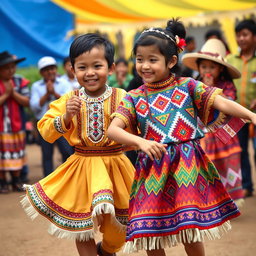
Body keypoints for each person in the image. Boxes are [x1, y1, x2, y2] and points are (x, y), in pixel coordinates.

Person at [107, 19, 256, 256]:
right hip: (151, 170)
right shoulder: (133, 97)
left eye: (152, 60)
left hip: (186, 166)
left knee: (190, 229)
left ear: (172, 61)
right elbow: (113, 130)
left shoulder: (188, 86)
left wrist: (251, 115)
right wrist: (141, 142)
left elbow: (222, 102)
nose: (144, 66)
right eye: (140, 59)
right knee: (149, 231)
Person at [21, 33, 134, 256]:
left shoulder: (123, 96)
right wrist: (65, 118)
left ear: (110, 68)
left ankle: (107, 250)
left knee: (122, 226)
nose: (90, 73)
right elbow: (45, 131)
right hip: (81, 168)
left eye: (97, 66)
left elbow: (137, 127)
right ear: (72, 70)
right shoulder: (68, 99)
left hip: (116, 168)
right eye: (82, 67)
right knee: (81, 227)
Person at [182, 38, 244, 205]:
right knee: (209, 164)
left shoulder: (227, 85)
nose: (207, 70)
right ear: (199, 68)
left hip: (226, 134)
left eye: (212, 67)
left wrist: (214, 93)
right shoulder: (196, 85)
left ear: (220, 68)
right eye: (204, 67)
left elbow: (230, 103)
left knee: (228, 163)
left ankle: (231, 198)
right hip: (205, 135)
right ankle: (213, 199)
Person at [29, 56, 74, 177]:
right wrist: (47, 94)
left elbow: (69, 101)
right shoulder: (36, 86)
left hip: (62, 122)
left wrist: (54, 93)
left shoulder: (64, 83)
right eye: (46, 69)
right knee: (47, 153)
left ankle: (67, 178)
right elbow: (34, 107)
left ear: (56, 69)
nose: (50, 72)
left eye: (52, 68)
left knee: (67, 151)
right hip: (44, 123)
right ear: (41, 72)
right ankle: (47, 181)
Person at [227, 19, 256, 198]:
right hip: (237, 116)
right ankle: (246, 185)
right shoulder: (230, 60)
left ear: (254, 37)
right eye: (238, 35)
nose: (241, 39)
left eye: (245, 35)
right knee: (241, 150)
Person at [0, 51, 30, 193]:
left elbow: (27, 102)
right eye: (7, 68)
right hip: (1, 127)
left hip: (16, 125)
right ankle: (3, 182)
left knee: (17, 154)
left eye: (13, 67)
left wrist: (12, 93)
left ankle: (16, 181)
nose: (11, 70)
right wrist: (6, 95)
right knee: (2, 155)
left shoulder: (19, 81)